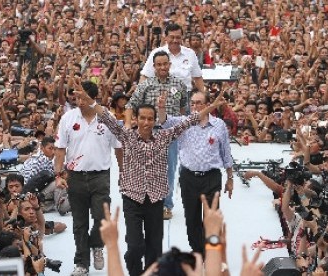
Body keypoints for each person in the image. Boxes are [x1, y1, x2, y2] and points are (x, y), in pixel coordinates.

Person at [88, 87, 224, 276]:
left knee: (154, 247)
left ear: (154, 121)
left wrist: (212, 107)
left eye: (150, 119)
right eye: (142, 118)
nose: (146, 122)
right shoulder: (126, 136)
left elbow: (190, 121)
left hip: (155, 199)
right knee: (134, 246)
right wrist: (90, 101)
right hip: (132, 198)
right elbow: (108, 118)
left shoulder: (163, 137)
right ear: (135, 119)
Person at [54, 80, 122, 276]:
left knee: (101, 218)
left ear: (93, 98)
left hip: (100, 176)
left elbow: (118, 148)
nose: (79, 101)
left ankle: (97, 245)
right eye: (76, 97)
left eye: (83, 97)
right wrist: (59, 175)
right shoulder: (68, 118)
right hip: (75, 176)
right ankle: (81, 263)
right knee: (80, 223)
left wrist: (124, 173)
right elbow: (60, 150)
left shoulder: (107, 118)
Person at [158, 91, 234, 254]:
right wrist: (162, 107)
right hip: (188, 178)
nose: (195, 106)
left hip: (211, 177)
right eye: (192, 103)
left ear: (207, 105)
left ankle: (212, 252)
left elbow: (226, 152)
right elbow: (164, 121)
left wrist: (230, 178)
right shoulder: (183, 122)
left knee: (211, 219)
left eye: (199, 103)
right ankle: (198, 252)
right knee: (191, 218)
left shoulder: (219, 125)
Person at [124, 50, 188, 220]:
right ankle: (146, 202)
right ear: (154, 66)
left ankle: (166, 205)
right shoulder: (145, 85)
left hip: (170, 135)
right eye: (158, 64)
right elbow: (130, 105)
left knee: (169, 169)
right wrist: (129, 126)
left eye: (165, 64)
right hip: (148, 134)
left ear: (170, 64)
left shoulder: (179, 85)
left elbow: (183, 109)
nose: (162, 67)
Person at [21, 136, 70, 215]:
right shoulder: (38, 161)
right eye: (50, 148)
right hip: (33, 198)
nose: (53, 152)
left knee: (62, 179)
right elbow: (27, 185)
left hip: (38, 194)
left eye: (55, 149)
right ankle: (64, 206)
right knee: (58, 183)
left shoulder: (46, 159)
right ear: (42, 148)